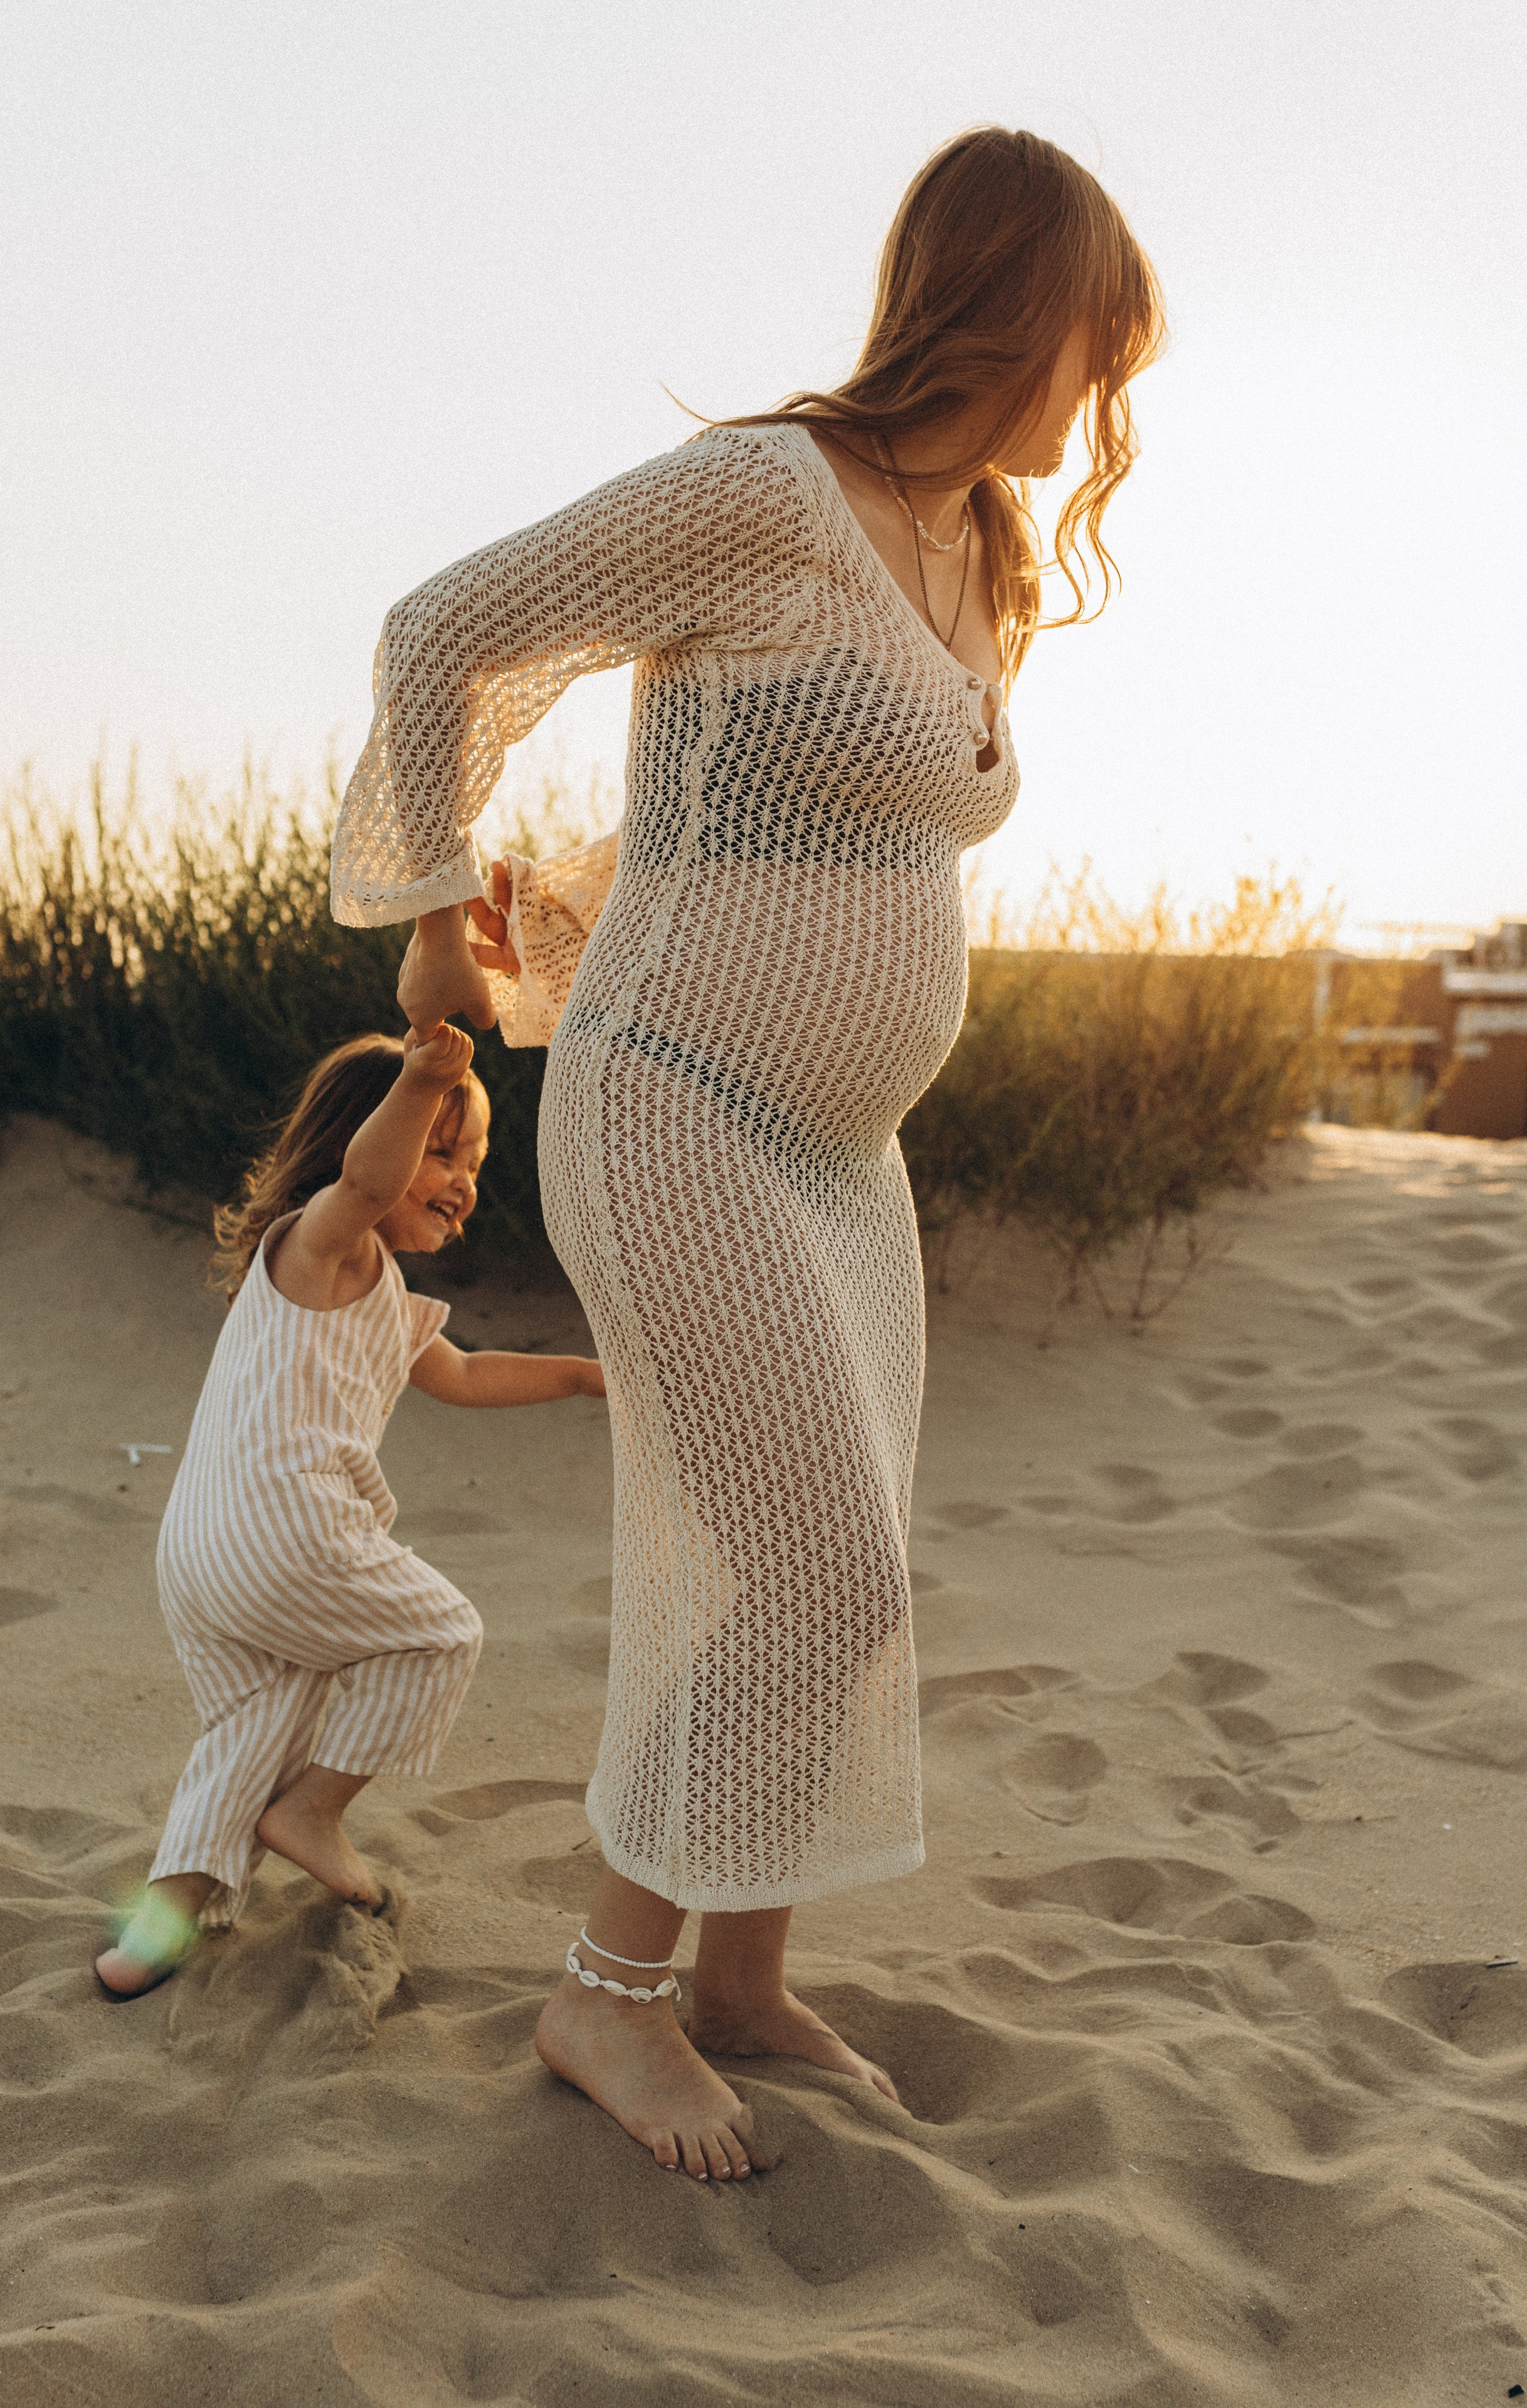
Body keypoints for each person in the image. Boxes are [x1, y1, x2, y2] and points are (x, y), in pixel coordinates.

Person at [331, 125, 1165, 2178]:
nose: (1106, 407)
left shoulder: (980, 551)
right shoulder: (771, 500)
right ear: (1002, 309)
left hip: (845, 1155)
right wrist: (445, 909)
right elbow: (450, 631)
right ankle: (602, 2003)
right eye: (1096, 352)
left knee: (830, 1574)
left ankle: (734, 1977)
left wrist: (595, 884)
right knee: (818, 1558)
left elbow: (775, 815)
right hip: (681, 1110)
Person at [95, 1029, 606, 1998]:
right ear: (364, 1141)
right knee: (443, 1635)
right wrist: (424, 1076)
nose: (460, 1180)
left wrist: (586, 1377)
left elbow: (461, 1375)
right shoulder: (320, 1243)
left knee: (260, 1724)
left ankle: (153, 1933)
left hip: (206, 1545)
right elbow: (371, 1185)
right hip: (285, 1526)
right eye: (440, 1153)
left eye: (474, 1161)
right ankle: (314, 1814)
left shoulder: (381, 1289)